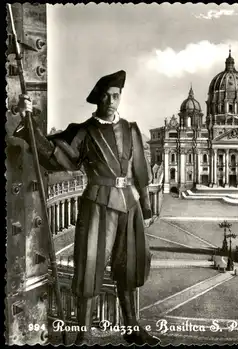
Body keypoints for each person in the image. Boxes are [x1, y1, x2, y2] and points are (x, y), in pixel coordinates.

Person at [14, 70, 160, 345]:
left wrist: (147, 206)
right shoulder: (85, 131)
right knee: (89, 267)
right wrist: (29, 120)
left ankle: (132, 329)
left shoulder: (131, 129)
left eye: (115, 96)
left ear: (120, 97)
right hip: (97, 206)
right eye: (106, 96)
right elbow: (58, 158)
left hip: (129, 205)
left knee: (127, 267)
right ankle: (83, 334)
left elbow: (140, 170)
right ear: (98, 99)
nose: (111, 100)